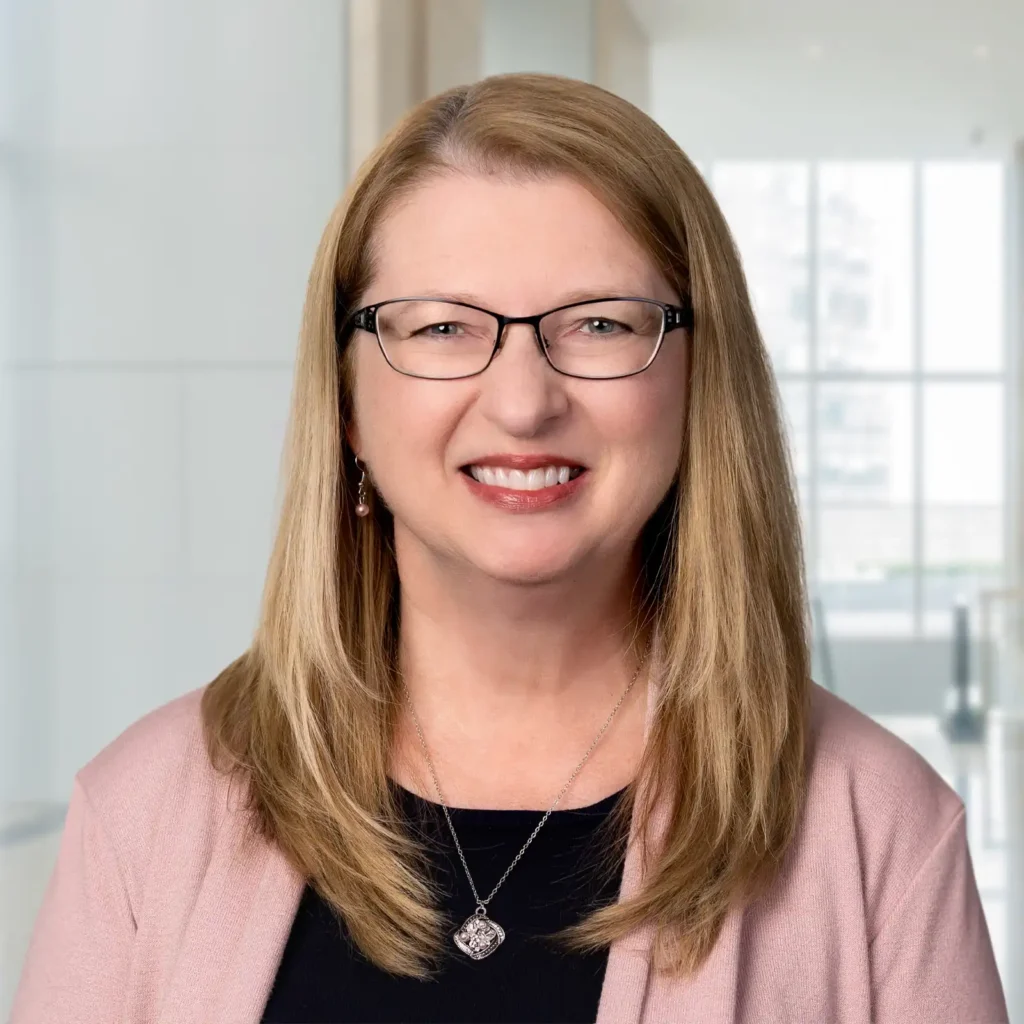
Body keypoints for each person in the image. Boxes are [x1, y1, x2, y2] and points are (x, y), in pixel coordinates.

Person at [10, 72, 1007, 1024]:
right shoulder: (143, 811)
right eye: (443, 327)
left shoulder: (880, 829)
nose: (525, 399)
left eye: (601, 324)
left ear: (699, 385)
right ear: (350, 404)